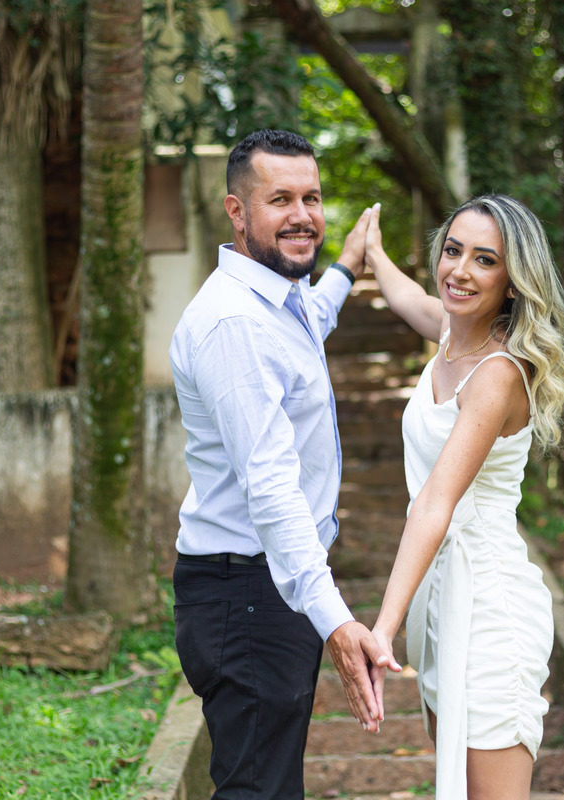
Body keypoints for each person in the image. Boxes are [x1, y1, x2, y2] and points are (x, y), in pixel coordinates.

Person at [168, 129, 397, 799]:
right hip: (246, 593)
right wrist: (336, 620)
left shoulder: (276, 301)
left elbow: (307, 326)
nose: (302, 216)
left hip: (265, 586)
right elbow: (270, 487)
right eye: (280, 200)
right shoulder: (235, 324)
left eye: (312, 198)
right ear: (237, 212)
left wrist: (347, 266)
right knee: (259, 791)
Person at [363, 195, 564, 800]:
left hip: (489, 609)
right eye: (453, 251)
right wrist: (372, 253)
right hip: (443, 602)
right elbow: (409, 300)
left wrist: (383, 629)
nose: (460, 271)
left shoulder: (498, 373)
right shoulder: (453, 337)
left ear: (512, 280)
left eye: (485, 260)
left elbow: (437, 501)